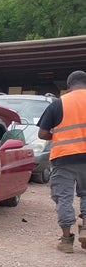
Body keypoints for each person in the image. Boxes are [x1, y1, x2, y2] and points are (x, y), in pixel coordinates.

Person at [38, 70, 86, 253]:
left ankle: (66, 241)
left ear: (68, 86)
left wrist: (58, 135)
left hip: (63, 157)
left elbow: (42, 133)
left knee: (64, 198)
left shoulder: (59, 103)